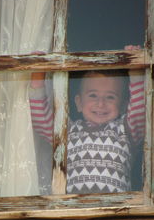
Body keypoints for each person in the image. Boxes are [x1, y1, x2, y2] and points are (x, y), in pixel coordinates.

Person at [29, 56, 145, 194]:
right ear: (79, 103)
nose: (101, 103)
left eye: (110, 97)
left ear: (123, 106)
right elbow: (41, 119)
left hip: (116, 209)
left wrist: (136, 73)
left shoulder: (125, 129)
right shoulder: (68, 131)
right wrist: (37, 78)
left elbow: (139, 110)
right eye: (93, 95)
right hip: (73, 209)